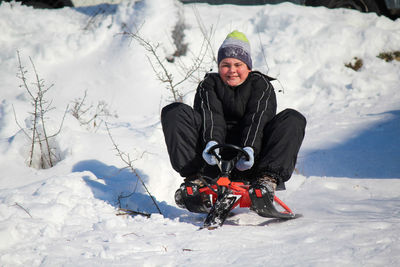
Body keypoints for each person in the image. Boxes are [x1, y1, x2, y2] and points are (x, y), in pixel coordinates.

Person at [161, 30, 306, 214]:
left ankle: (265, 183)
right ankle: (195, 181)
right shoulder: (208, 85)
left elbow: (258, 119)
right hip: (212, 160)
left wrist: (249, 149)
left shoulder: (261, 86)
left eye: (238, 64)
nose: (232, 70)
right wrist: (211, 145)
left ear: (248, 67)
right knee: (175, 111)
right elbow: (211, 117)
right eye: (225, 65)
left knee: (292, 118)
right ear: (219, 66)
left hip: (253, 161)